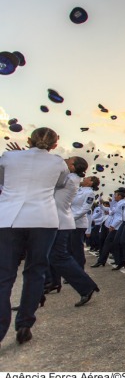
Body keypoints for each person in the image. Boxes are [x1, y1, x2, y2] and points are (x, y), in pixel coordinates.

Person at [0, 127, 70, 346]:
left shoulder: (9, 157)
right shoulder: (59, 162)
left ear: (28, 140)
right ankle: (25, 323)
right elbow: (60, 184)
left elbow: (3, 180)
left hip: (9, 218)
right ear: (55, 145)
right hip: (42, 219)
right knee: (35, 271)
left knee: (4, 275)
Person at [46, 156, 100, 307]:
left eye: (68, 160)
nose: (65, 160)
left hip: (63, 221)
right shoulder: (72, 178)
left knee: (61, 255)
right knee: (53, 255)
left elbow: (84, 209)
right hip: (57, 219)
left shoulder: (69, 179)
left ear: (74, 167)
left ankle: (85, 286)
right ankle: (52, 282)